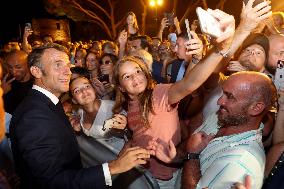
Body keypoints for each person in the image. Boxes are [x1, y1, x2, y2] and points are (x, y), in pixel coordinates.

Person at [112, 8, 235, 188]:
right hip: (141, 175)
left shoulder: (160, 93)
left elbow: (189, 84)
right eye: (127, 76)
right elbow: (136, 137)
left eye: (138, 71)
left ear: (146, 74)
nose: (135, 78)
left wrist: (216, 51)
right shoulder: (130, 104)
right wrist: (118, 163)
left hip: (165, 180)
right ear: (122, 87)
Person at [9, 43, 150, 189]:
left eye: (67, 65)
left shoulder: (48, 104)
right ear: (36, 71)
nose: (67, 71)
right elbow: (51, 182)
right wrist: (113, 167)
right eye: (58, 65)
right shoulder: (33, 116)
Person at [182, 72, 277, 189]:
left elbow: (192, 149)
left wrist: (192, 156)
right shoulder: (225, 116)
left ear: (256, 108)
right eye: (223, 93)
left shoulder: (238, 163)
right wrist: (174, 156)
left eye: (230, 96)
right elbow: (192, 144)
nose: (219, 102)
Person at [69, 76, 126, 153]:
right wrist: (77, 131)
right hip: (101, 158)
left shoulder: (113, 108)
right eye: (77, 91)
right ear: (74, 100)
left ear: (94, 90)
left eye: (87, 86)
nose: (84, 91)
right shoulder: (79, 113)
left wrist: (125, 128)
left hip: (121, 154)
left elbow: (132, 133)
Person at [2, 50, 33, 114]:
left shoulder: (38, 83)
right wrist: (2, 93)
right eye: (10, 67)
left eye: (18, 67)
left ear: (28, 65)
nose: (13, 72)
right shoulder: (6, 82)